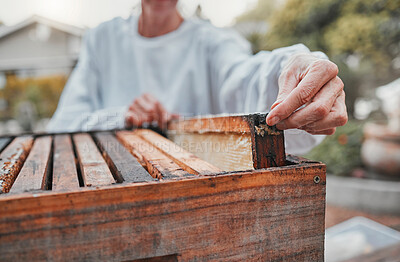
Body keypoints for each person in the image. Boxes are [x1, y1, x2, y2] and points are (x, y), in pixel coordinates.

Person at [47, 0, 348, 155]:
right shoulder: (101, 40)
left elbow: (246, 78)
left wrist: (297, 67)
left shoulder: (213, 42)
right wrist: (121, 117)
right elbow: (62, 125)